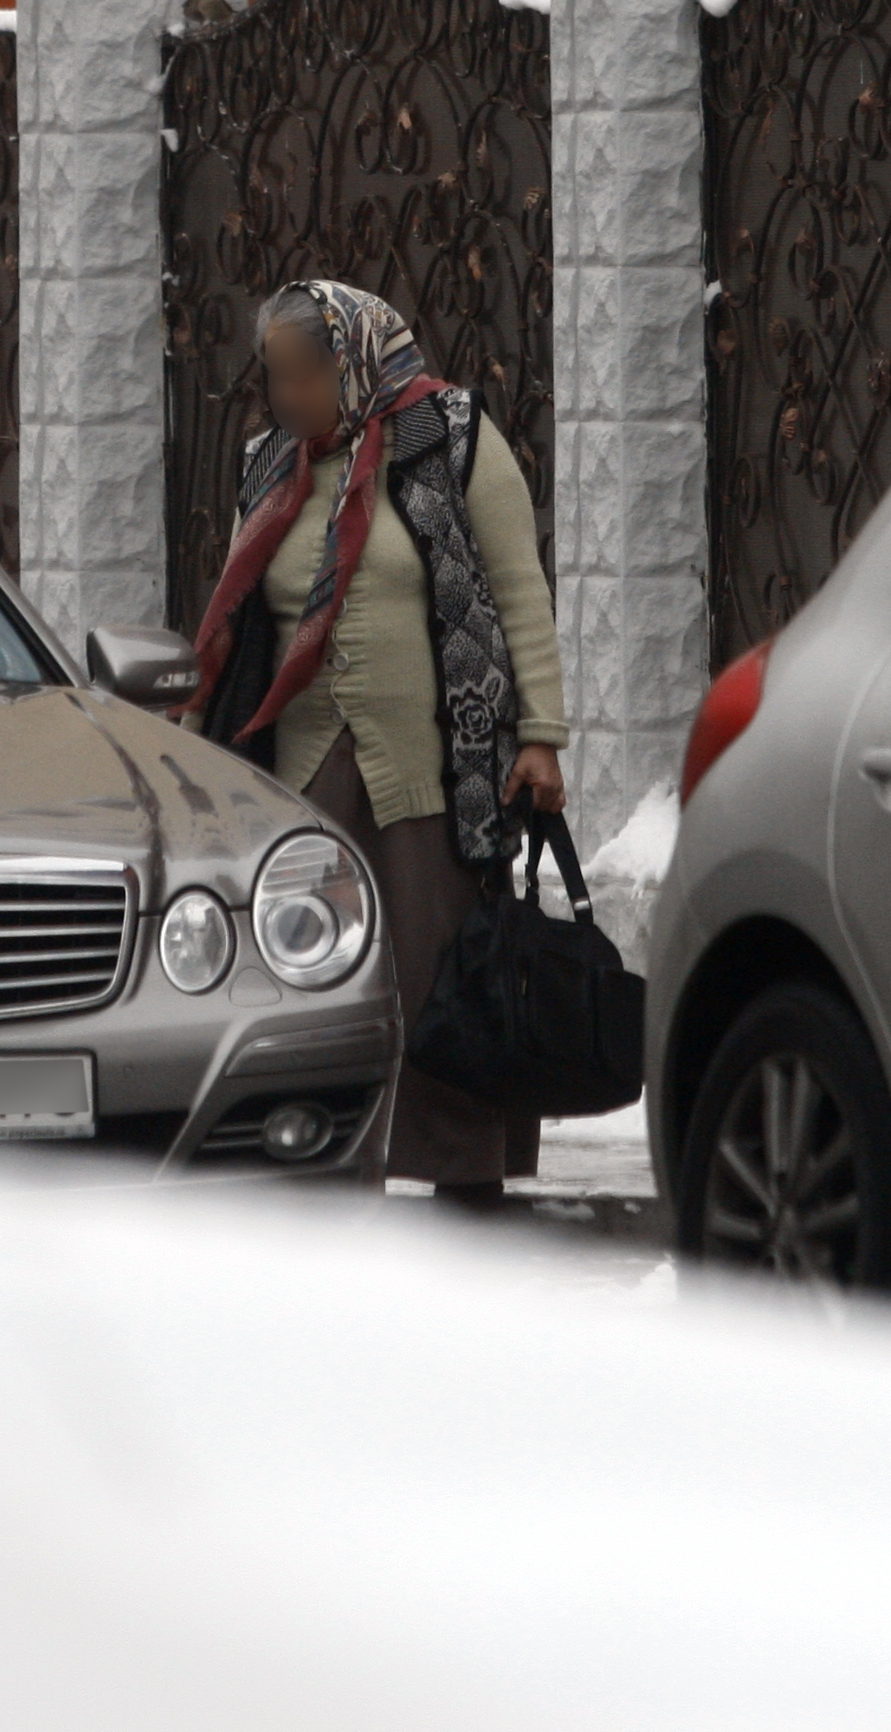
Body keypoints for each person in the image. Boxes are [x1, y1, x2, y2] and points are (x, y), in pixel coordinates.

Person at [185, 279, 567, 1208]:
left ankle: (462, 1171)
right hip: (303, 770)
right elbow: (236, 619)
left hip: (434, 765)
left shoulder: (452, 438)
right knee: (312, 976)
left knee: (439, 974)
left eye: (300, 376)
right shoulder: (268, 464)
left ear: (351, 363)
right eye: (274, 377)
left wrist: (542, 735)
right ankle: (320, 1158)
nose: (284, 397)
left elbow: (518, 590)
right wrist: (196, 731)